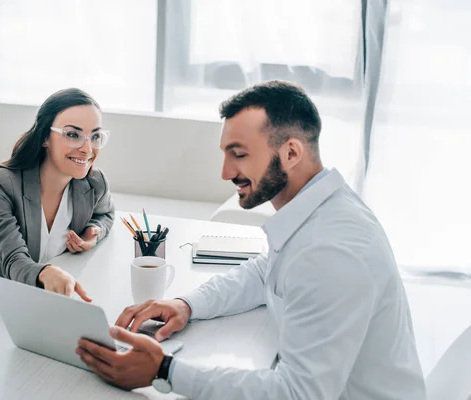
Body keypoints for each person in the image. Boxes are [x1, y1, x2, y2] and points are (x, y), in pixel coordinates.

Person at [75, 81, 426, 399]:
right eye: (226, 153)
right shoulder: (321, 208)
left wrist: (164, 370)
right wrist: (187, 304)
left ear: (291, 153)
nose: (225, 172)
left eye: (239, 154)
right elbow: (265, 272)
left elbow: (297, 394)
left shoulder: (331, 251)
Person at [0, 88, 114, 351]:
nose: (87, 148)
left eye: (95, 136)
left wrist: (93, 232)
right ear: (45, 136)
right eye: (73, 134)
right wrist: (47, 273)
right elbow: (13, 261)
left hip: (37, 308)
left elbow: (105, 213)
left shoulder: (94, 182)